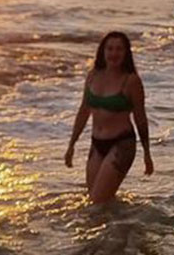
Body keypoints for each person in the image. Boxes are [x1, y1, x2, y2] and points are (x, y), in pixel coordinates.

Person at [65, 31, 154, 203]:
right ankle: (120, 225)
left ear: (126, 53)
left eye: (119, 49)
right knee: (96, 200)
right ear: (102, 51)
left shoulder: (131, 81)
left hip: (121, 144)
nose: (114, 54)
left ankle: (122, 226)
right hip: (96, 144)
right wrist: (71, 145)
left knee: (98, 201)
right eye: (110, 49)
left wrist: (147, 154)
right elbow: (84, 111)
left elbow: (140, 118)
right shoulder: (93, 76)